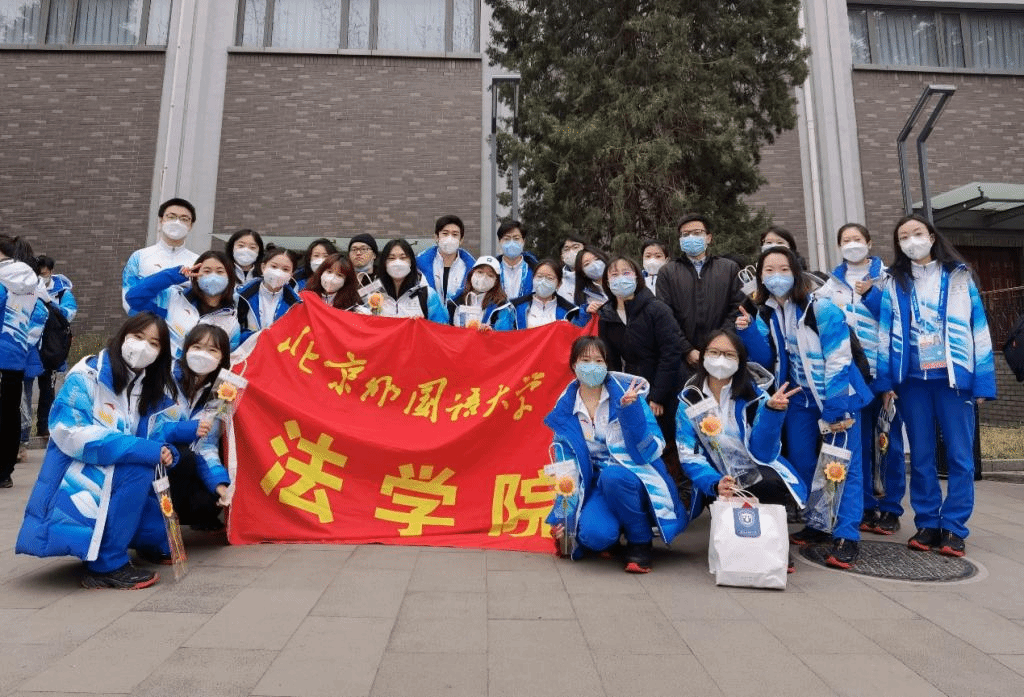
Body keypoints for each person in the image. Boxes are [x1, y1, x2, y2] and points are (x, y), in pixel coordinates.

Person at [16, 313, 181, 589]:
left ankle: (141, 542)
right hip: (78, 470)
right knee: (139, 468)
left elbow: (158, 436)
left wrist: (168, 452)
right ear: (123, 336)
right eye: (138, 336)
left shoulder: (150, 388)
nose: (143, 347)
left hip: (116, 472)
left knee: (156, 521)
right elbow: (70, 432)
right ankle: (107, 565)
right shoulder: (87, 375)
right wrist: (143, 449)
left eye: (154, 343)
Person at [735, 245, 872, 569]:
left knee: (842, 466)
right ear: (760, 277)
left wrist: (836, 407)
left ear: (796, 272)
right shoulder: (771, 311)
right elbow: (767, 359)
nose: (777, 276)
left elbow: (839, 358)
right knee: (801, 460)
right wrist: (750, 330)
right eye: (769, 270)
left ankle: (847, 535)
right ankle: (819, 523)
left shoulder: (822, 307)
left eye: (784, 269)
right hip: (800, 398)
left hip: (836, 397)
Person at [875, 215, 996, 558]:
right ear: (898, 245)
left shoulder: (959, 276)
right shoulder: (893, 281)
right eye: (904, 237)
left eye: (917, 233)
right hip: (912, 382)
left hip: (954, 382)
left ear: (931, 236)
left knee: (960, 456)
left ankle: (954, 526)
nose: (911, 240)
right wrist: (886, 381)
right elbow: (884, 333)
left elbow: (979, 327)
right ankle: (927, 523)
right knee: (922, 456)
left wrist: (982, 381)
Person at [544, 336, 686, 573]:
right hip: (597, 486)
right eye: (585, 360)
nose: (592, 366)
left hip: (634, 478)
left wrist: (630, 412)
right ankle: (616, 528)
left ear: (607, 365)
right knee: (593, 537)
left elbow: (650, 452)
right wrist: (564, 520)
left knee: (613, 477)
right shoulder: (566, 408)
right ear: (574, 365)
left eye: (599, 361)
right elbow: (566, 472)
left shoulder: (629, 397)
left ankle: (640, 541)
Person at [676, 330, 808, 570]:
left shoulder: (755, 396)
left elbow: (764, 453)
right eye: (714, 352)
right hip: (717, 478)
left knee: (770, 482)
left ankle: (774, 544)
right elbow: (688, 455)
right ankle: (739, 546)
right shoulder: (689, 399)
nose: (720, 359)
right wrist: (715, 483)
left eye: (729, 354)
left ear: (740, 361)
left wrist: (772, 413)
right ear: (703, 356)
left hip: (755, 470)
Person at [814, 223, 906, 535]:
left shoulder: (887, 278)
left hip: (883, 373)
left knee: (888, 442)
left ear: (869, 242)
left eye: (857, 239)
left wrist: (871, 295)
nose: (852, 244)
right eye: (846, 240)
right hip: (851, 376)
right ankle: (865, 504)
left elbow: (897, 321)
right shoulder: (831, 285)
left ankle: (891, 507)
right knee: (859, 445)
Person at [596, 256, 684, 492]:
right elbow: (611, 360)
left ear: (637, 276)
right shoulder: (607, 314)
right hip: (633, 386)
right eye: (614, 274)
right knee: (639, 440)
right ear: (606, 281)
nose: (620, 279)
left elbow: (671, 352)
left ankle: (674, 494)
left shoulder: (656, 309)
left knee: (665, 442)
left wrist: (658, 396)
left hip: (665, 384)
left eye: (626, 273)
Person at [153, 324, 232, 532]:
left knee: (207, 502)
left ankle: (181, 520)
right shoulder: (164, 378)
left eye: (212, 350)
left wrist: (220, 485)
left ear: (222, 358)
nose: (203, 354)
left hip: (186, 466)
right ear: (186, 349)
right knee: (184, 455)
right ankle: (158, 524)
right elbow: (150, 430)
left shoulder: (220, 394)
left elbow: (207, 447)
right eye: (197, 347)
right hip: (156, 460)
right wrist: (188, 429)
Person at [656, 213, 745, 378]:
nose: (691, 237)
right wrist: (687, 350)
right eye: (685, 234)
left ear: (708, 238)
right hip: (683, 360)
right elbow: (665, 316)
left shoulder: (729, 268)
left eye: (697, 233)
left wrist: (718, 345)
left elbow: (737, 307)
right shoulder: (667, 272)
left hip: (723, 355)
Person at [125, 250, 241, 358]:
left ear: (229, 277)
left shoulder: (231, 323)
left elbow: (227, 361)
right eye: (207, 271)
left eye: (220, 272)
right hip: (162, 369)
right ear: (196, 275)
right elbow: (134, 297)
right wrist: (174, 275)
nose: (213, 277)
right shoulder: (172, 298)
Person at [0, 237, 48, 489]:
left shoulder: (2, 283)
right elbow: (41, 312)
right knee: (9, 414)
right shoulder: (32, 284)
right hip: (16, 358)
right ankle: (5, 471)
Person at [24, 255, 76, 441]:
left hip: (51, 347)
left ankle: (44, 428)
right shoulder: (27, 288)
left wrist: (49, 301)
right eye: (39, 274)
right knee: (25, 391)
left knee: (47, 391)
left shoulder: (62, 292)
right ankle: (24, 431)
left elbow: (69, 314)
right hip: (31, 347)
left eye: (45, 273)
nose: (42, 277)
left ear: (51, 271)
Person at [122, 198, 199, 314]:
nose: (177, 222)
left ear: (191, 225)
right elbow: (127, 299)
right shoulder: (139, 257)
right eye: (171, 217)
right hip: (146, 323)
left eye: (184, 219)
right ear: (161, 220)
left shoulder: (198, 261)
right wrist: (156, 320)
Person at [374, 239, 449, 323]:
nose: (397, 262)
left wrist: (421, 324)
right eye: (391, 258)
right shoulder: (373, 293)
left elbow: (440, 327)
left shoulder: (428, 294)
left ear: (411, 262)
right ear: (384, 263)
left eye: (403, 258)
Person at [236, 247, 302, 341]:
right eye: (274, 267)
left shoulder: (296, 303)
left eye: (285, 269)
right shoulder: (242, 295)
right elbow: (234, 330)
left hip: (278, 348)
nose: (278, 273)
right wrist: (256, 337)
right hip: (246, 347)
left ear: (291, 274)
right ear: (263, 267)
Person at [417, 214, 476, 302]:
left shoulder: (471, 267)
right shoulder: (420, 264)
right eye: (445, 233)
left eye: (455, 234)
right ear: (436, 237)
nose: (450, 238)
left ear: (461, 240)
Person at [446, 256, 515, 330]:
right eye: (480, 272)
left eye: (490, 275)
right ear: (472, 273)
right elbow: (445, 328)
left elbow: (504, 333)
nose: (483, 278)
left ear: (496, 282)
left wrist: (491, 331)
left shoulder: (501, 306)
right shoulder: (455, 300)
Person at [511, 259, 583, 329]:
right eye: (539, 276)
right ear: (533, 279)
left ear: (559, 284)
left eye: (549, 278)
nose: (543, 281)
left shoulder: (570, 312)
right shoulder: (515, 307)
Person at [759, 225, 827, 287]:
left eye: (780, 242)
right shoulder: (757, 280)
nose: (774, 246)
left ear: (790, 247)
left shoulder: (810, 280)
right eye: (769, 242)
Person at [495, 220, 538, 300]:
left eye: (516, 239)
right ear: (500, 241)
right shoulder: (492, 269)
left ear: (523, 241)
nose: (512, 243)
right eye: (507, 239)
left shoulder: (534, 269)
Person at [573, 246, 608, 320]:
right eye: (587, 264)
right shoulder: (584, 296)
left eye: (597, 259)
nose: (595, 265)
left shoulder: (621, 282)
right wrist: (586, 312)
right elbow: (577, 322)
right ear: (583, 272)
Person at [556, 235, 586, 302]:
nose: (571, 252)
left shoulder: (596, 274)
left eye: (575, 247)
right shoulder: (558, 282)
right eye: (566, 249)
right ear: (562, 256)